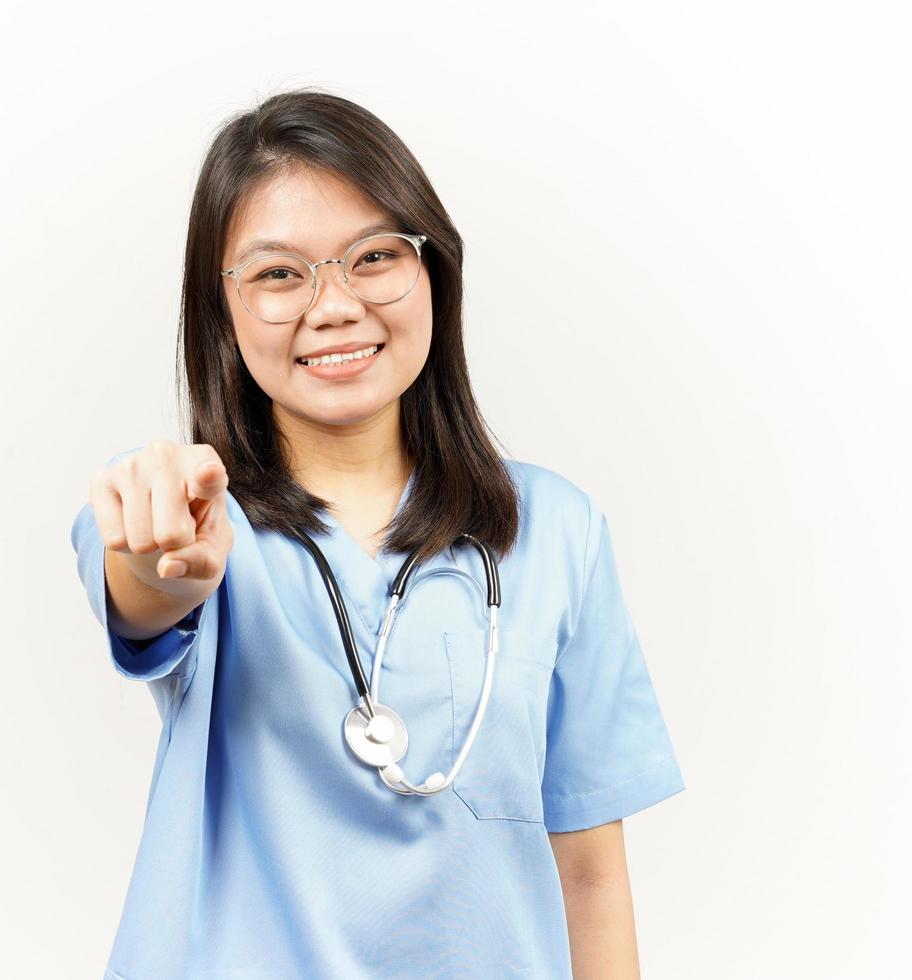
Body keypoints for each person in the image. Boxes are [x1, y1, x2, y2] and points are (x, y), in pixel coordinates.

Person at [70, 88, 685, 979]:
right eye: (280, 273)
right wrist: (162, 565)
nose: (334, 305)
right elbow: (144, 587)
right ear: (222, 309)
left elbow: (589, 878)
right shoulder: (187, 507)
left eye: (373, 257)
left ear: (433, 268)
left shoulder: (556, 532)